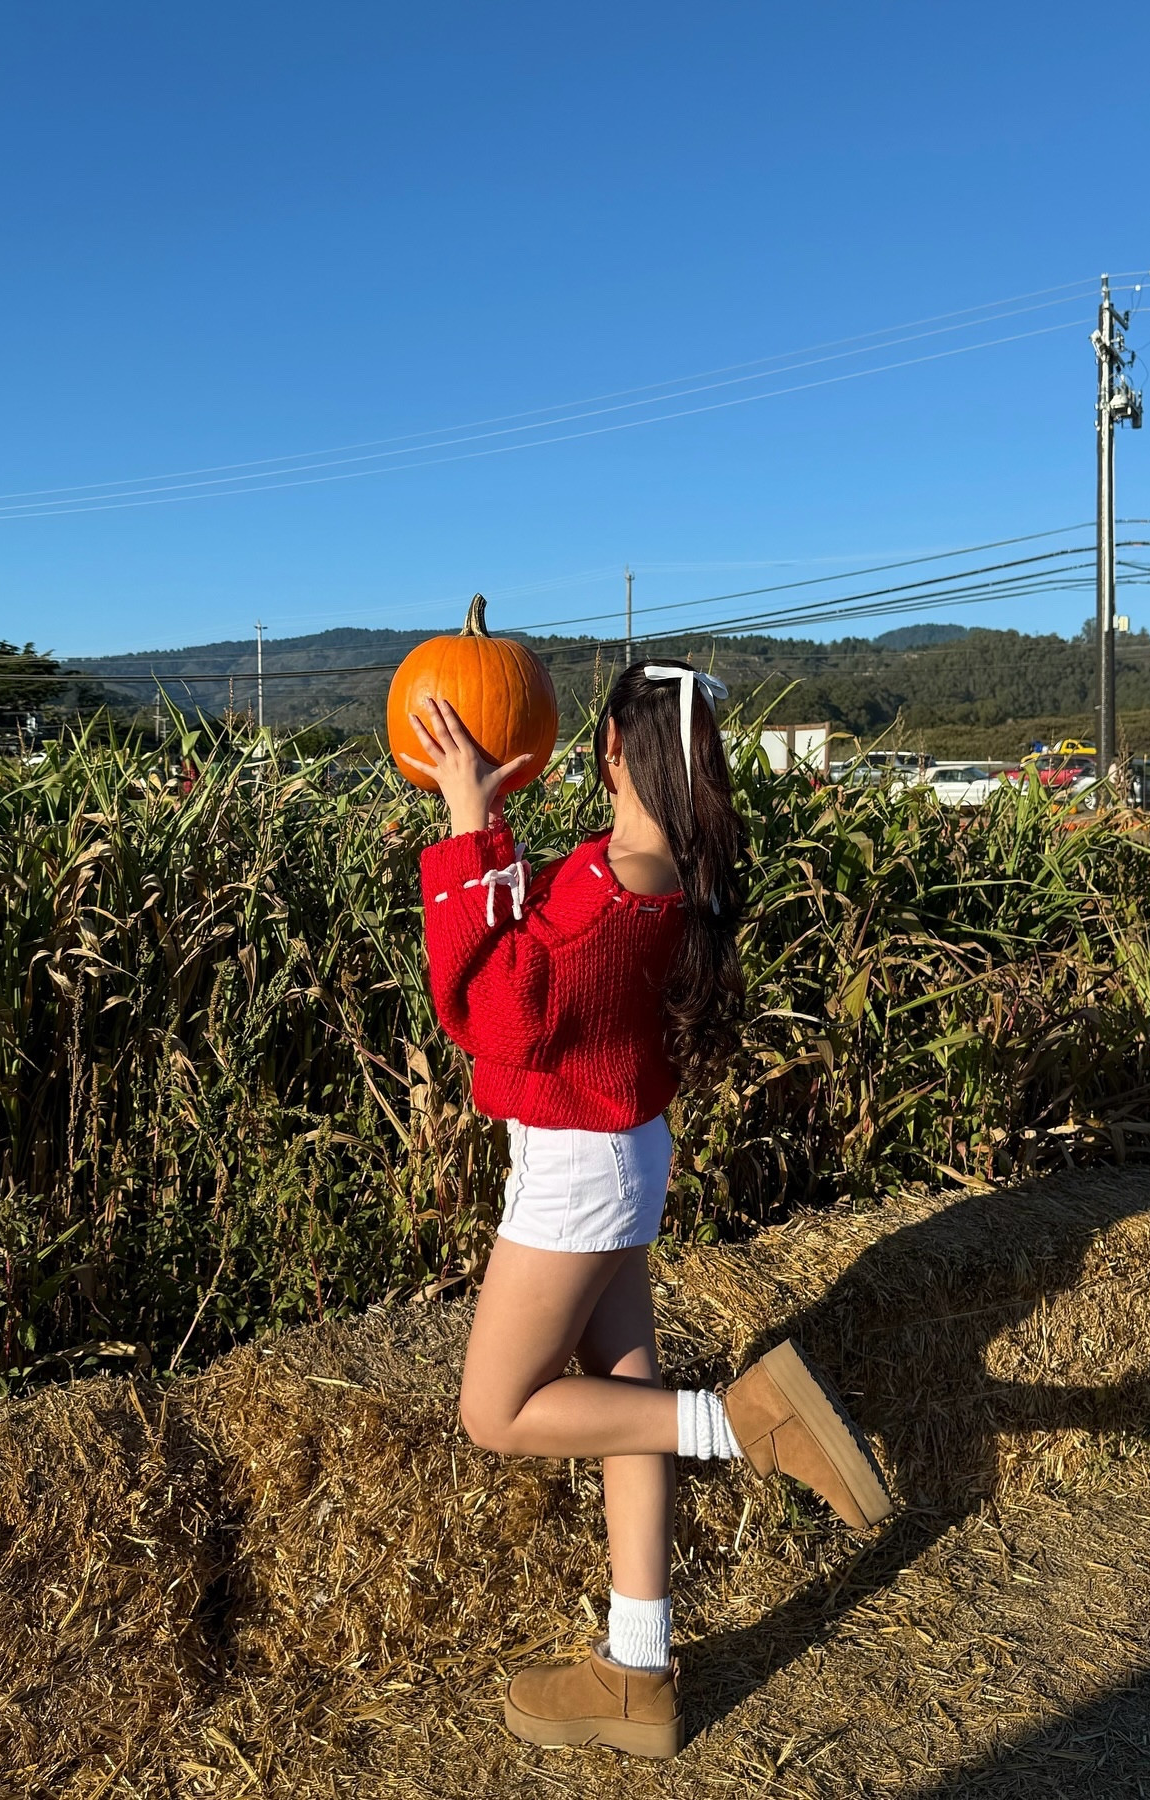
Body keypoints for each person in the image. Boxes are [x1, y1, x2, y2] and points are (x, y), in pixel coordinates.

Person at [401, 662, 892, 1761]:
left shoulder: (612, 883)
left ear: (613, 750)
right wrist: (498, 842)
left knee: (498, 1408)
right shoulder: (663, 872)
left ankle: (742, 1423)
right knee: (626, 1395)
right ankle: (638, 1668)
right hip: (624, 1151)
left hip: (577, 1167)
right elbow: (544, 952)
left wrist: (468, 821)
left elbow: (488, 1009)